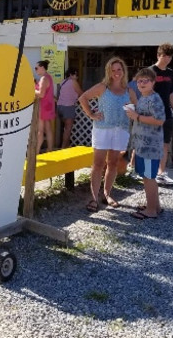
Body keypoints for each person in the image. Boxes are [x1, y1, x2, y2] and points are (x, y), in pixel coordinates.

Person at [78, 56, 130, 212]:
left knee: (113, 163)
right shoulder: (103, 87)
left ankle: (107, 194)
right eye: (113, 70)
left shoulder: (129, 90)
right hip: (102, 129)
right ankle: (93, 198)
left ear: (123, 71)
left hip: (121, 130)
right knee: (98, 163)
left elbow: (136, 108)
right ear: (109, 71)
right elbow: (83, 98)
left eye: (119, 69)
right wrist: (92, 115)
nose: (116, 73)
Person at [125, 68, 166, 219]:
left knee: (149, 177)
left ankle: (151, 211)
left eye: (145, 81)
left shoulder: (154, 99)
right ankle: (155, 206)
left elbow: (159, 120)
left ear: (153, 82)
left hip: (150, 146)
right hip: (142, 145)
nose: (141, 83)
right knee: (147, 176)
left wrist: (137, 116)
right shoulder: (143, 97)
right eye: (139, 81)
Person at [150, 43, 173, 186]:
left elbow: (171, 95)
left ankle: (161, 173)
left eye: (169, 56)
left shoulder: (170, 73)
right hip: (152, 114)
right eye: (164, 56)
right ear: (158, 55)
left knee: (165, 144)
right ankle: (147, 173)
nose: (166, 59)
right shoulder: (150, 72)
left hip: (167, 113)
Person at [56, 67, 83, 149]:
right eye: (76, 75)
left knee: (65, 127)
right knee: (68, 129)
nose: (77, 77)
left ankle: (66, 146)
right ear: (72, 74)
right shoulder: (73, 82)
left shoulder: (63, 82)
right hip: (68, 107)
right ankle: (63, 148)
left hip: (60, 106)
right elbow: (81, 93)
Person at [34, 60, 55, 153]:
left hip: (43, 106)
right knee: (48, 129)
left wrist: (32, 89)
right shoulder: (48, 77)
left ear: (42, 68)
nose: (35, 70)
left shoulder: (43, 79)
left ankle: (36, 152)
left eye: (36, 68)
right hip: (48, 105)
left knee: (40, 131)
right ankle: (50, 149)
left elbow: (41, 94)